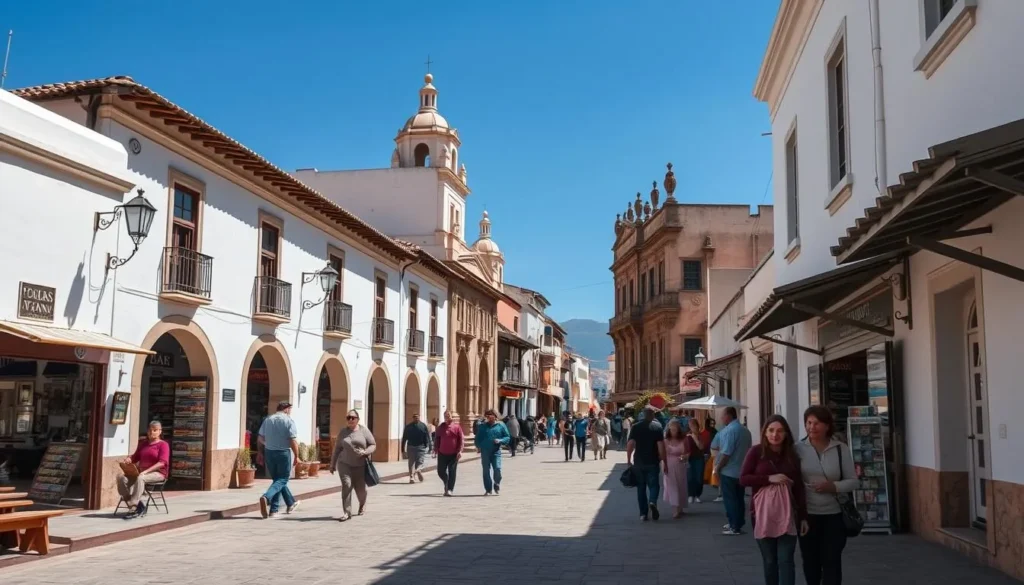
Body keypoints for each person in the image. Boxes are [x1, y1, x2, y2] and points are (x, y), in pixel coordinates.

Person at [741, 415, 809, 585]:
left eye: (779, 431)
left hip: (788, 514)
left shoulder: (792, 455)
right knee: (770, 561)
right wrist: (769, 478)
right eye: (771, 430)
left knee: (786, 560)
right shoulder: (756, 452)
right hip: (762, 513)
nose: (775, 435)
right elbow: (743, 479)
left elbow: (799, 487)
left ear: (786, 433)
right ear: (765, 433)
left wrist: (803, 516)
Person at [797, 406, 858, 585]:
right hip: (807, 516)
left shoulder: (841, 449)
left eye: (817, 423)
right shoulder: (797, 448)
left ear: (827, 426)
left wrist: (833, 486)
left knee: (832, 561)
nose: (812, 427)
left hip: (834, 516)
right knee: (810, 562)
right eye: (809, 422)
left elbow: (853, 481)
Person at [329, 409, 376, 521]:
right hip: (344, 464)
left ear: (357, 419)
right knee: (347, 485)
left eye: (353, 418)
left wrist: (366, 452)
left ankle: (362, 503)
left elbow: (373, 445)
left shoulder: (364, 431)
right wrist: (332, 464)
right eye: (348, 418)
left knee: (360, 490)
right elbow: (337, 449)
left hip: (360, 465)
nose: (350, 419)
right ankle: (347, 512)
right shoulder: (343, 432)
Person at [117, 420, 170, 518]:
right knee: (121, 478)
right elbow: (135, 457)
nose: (152, 432)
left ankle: (133, 508)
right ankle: (137, 504)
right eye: (150, 430)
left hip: (158, 473)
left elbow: (162, 463)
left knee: (141, 478)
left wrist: (145, 472)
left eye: (155, 430)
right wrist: (129, 459)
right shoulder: (144, 444)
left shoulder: (163, 445)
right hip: (141, 472)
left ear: (160, 431)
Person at [258, 401, 300, 519]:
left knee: (277, 480)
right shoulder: (288, 421)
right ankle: (267, 497)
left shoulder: (268, 419)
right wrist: (297, 455)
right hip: (283, 453)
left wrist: (261, 451)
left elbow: (260, 437)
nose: (290, 412)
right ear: (286, 409)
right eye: (290, 409)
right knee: (282, 479)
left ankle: (276, 509)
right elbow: (292, 440)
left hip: (269, 452)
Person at [714, 406, 753, 535]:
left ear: (729, 416)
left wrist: (718, 468)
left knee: (730, 499)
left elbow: (726, 452)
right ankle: (737, 521)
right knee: (739, 498)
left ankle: (734, 525)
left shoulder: (730, 431)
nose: (721, 418)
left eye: (723, 415)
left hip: (729, 470)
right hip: (741, 470)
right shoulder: (745, 431)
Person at [627, 404, 666, 521]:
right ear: (653, 415)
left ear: (643, 415)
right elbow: (661, 446)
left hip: (639, 462)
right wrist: (664, 460)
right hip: (653, 462)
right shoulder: (658, 427)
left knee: (641, 488)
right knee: (654, 485)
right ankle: (652, 501)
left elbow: (630, 444)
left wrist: (628, 460)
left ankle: (643, 514)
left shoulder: (635, 427)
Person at [474, 409, 510, 495]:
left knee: (497, 469)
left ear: (495, 416)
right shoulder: (482, 426)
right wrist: (478, 446)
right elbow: (477, 438)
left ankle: (497, 483)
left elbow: (507, 437)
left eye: (490, 415)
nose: (489, 417)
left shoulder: (501, 425)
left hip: (496, 451)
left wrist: (500, 440)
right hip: (485, 451)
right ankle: (488, 489)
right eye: (487, 415)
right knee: (486, 471)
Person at [661, 419, 689, 519]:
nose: (673, 431)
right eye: (672, 429)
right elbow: (662, 453)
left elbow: (688, 452)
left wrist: (684, 456)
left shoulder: (684, 439)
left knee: (681, 486)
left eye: (675, 429)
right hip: (669, 464)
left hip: (681, 465)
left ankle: (680, 507)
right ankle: (675, 509)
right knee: (672, 486)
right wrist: (664, 465)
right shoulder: (665, 440)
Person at [434, 410, 464, 496]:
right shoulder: (441, 427)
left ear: (451, 416)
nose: (447, 417)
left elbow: (461, 440)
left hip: (453, 454)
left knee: (452, 471)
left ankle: (450, 489)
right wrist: (435, 449)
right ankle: (446, 481)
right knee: (440, 471)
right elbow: (437, 438)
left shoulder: (457, 427)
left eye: (448, 415)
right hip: (442, 453)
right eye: (445, 416)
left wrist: (460, 451)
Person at [401, 413, 430, 483]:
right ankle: (417, 471)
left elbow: (426, 436)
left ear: (419, 417)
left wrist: (428, 445)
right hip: (414, 446)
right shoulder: (421, 426)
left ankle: (412, 476)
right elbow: (404, 438)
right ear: (413, 418)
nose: (416, 418)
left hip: (418, 446)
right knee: (418, 461)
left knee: (413, 462)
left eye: (417, 417)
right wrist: (402, 449)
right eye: (415, 417)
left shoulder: (421, 426)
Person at [685, 418, 705, 503]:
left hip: (699, 458)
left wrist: (695, 437)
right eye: (690, 425)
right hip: (690, 459)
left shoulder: (701, 436)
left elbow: (701, 447)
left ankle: (697, 495)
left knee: (699, 478)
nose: (692, 427)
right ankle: (690, 495)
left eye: (693, 425)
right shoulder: (687, 436)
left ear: (697, 426)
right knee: (690, 477)